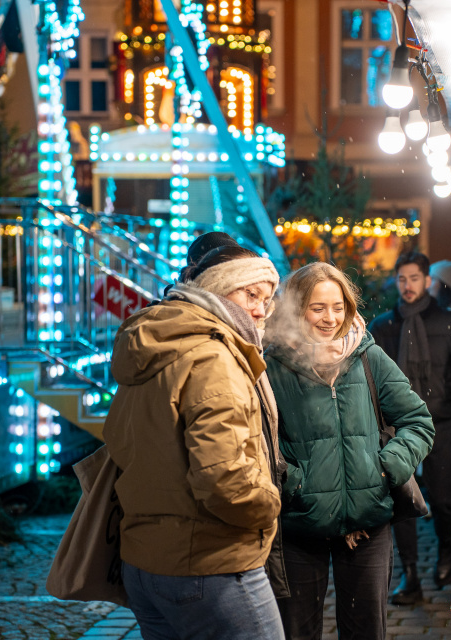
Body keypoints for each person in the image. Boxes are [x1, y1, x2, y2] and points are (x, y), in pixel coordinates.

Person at [104, 245, 286, 639]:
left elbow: (118, 442)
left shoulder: (159, 341)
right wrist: (270, 504)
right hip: (209, 563)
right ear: (218, 290)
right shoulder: (213, 357)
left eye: (267, 299)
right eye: (249, 294)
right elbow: (224, 480)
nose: (259, 310)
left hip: (145, 560)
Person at [264, 262, 434, 640]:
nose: (330, 318)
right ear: (295, 307)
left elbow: (418, 421)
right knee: (297, 632)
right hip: (298, 527)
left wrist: (386, 467)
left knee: (365, 631)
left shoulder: (366, 355)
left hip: (368, 522)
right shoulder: (271, 365)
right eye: (317, 307)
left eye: (338, 307)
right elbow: (257, 442)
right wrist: (295, 483)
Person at [369, 251, 451, 605]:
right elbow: (369, 375)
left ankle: (447, 551)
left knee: (443, 498)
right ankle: (410, 574)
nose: (407, 286)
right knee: (401, 499)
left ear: (427, 280)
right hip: (394, 428)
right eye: (401, 279)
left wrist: (446, 396)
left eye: (414, 278)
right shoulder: (384, 326)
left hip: (439, 421)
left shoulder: (450, 323)